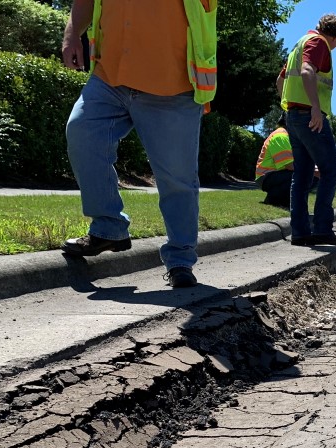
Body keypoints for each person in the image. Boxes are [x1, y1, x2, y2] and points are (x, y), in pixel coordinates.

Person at [59, 0, 217, 289]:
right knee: (82, 131)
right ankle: (109, 227)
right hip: (110, 74)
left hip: (172, 83)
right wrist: (71, 35)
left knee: (177, 179)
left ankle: (180, 259)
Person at [277, 14, 336, 248]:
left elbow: (280, 81)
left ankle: (300, 232)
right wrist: (315, 109)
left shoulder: (299, 44)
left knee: (303, 175)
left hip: (294, 117)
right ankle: (322, 230)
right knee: (331, 171)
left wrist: (289, 109)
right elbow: (308, 71)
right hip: (310, 117)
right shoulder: (319, 43)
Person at [255, 116, 294, 207]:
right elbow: (290, 165)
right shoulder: (281, 136)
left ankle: (284, 202)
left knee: (308, 176)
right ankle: (274, 199)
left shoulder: (285, 135)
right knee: (304, 176)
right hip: (266, 176)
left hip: (271, 174)